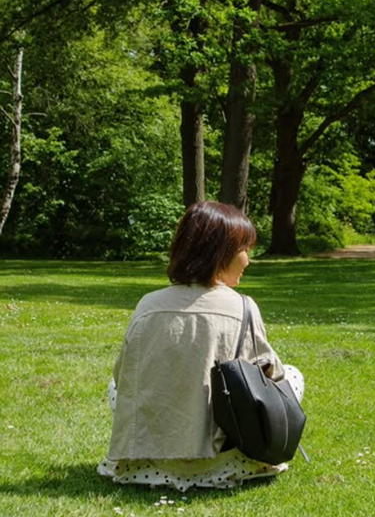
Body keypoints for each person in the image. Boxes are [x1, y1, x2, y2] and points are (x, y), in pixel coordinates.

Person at [97, 200, 304, 491]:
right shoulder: (242, 307)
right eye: (244, 250)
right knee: (293, 377)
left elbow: (122, 380)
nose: (248, 260)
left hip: (148, 464)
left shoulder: (147, 305)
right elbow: (275, 379)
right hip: (224, 463)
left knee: (114, 387)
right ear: (220, 252)